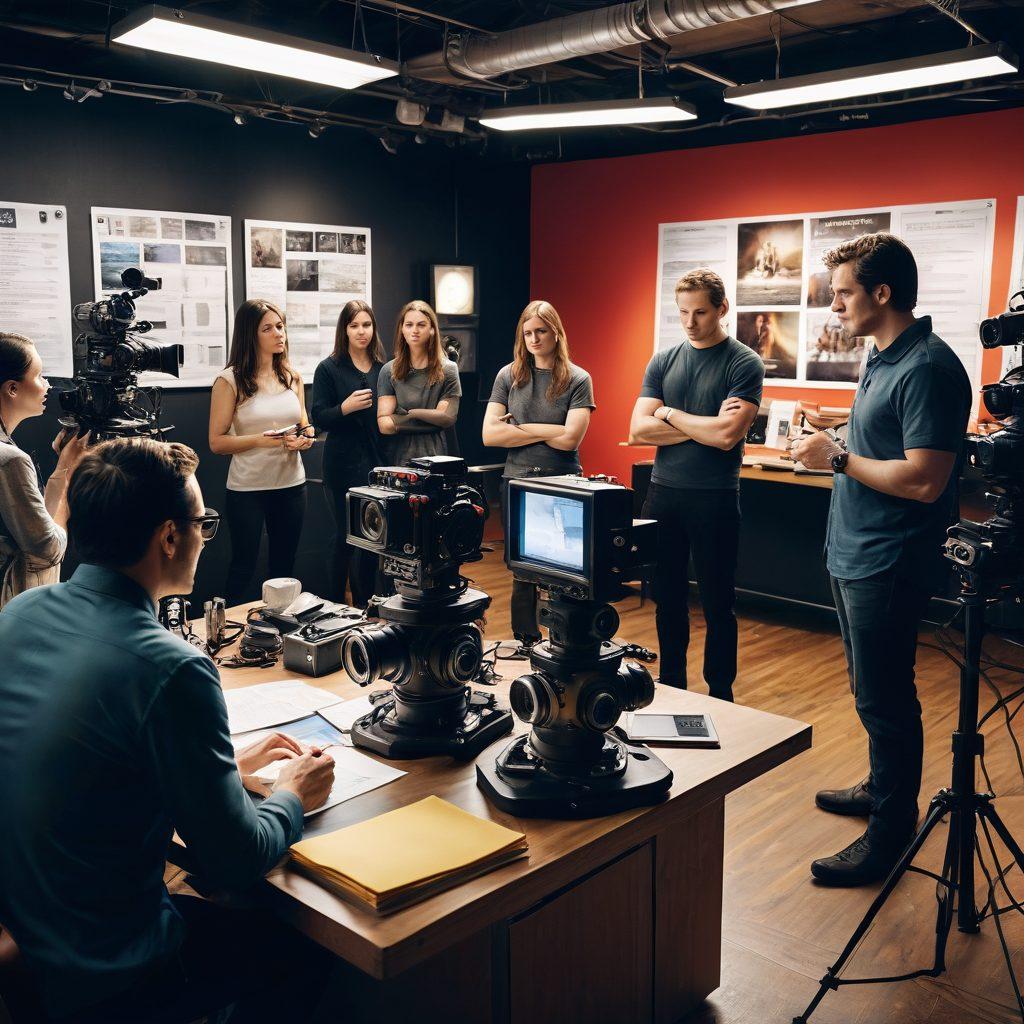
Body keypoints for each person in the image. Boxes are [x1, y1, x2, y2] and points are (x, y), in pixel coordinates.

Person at [0, 437, 335, 1022]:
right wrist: (291, 794)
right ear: (169, 538)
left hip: (29, 938)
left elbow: (90, 761)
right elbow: (235, 861)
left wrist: (221, 767)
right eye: (202, 523)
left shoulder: (19, 614)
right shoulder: (172, 668)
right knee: (307, 950)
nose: (206, 536)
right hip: (112, 973)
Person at [791, 233, 971, 887]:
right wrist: (833, 434)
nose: (834, 305)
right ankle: (879, 787)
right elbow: (885, 439)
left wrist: (836, 457)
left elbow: (924, 479)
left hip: (888, 561)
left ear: (883, 292)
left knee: (887, 698)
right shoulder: (884, 355)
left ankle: (891, 830)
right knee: (869, 691)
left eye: (843, 293)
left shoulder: (928, 367)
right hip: (853, 550)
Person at [628, 269, 764, 702]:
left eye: (700, 312)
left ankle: (721, 694)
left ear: (722, 309)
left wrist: (669, 414)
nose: (690, 322)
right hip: (663, 494)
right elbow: (637, 429)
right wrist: (703, 426)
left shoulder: (744, 362)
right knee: (667, 599)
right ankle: (672, 686)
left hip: (715, 499)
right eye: (683, 312)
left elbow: (726, 436)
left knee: (718, 603)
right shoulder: (663, 360)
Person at [482, 300, 595, 645]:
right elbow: (490, 435)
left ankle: (565, 641)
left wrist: (521, 427)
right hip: (517, 479)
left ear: (556, 333)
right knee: (523, 568)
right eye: (528, 332)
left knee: (565, 567)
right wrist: (551, 430)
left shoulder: (578, 379)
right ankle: (525, 641)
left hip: (563, 482)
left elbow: (571, 440)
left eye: (541, 331)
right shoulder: (509, 375)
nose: (533, 339)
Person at [210, 299, 314, 606]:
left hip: (292, 485)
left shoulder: (292, 377)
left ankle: (280, 627)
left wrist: (305, 440)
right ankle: (224, 626)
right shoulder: (229, 381)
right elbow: (217, 442)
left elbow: (305, 426)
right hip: (248, 489)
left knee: (284, 566)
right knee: (243, 566)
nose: (279, 334)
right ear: (250, 335)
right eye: (268, 328)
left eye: (280, 326)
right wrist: (260, 440)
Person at [0, 332, 89, 609]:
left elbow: (38, 526)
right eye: (39, 376)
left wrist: (63, 469)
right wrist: (67, 470)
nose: (47, 385)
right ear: (12, 389)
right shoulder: (10, 460)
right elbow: (48, 549)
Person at [311, 300, 386, 606]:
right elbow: (318, 417)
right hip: (341, 466)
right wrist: (345, 408)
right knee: (344, 538)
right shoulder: (328, 368)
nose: (361, 331)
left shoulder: (384, 368)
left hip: (375, 465)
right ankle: (334, 607)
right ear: (344, 330)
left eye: (366, 325)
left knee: (371, 540)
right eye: (354, 325)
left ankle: (365, 606)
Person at [377, 299, 461, 465]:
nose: (414, 330)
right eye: (409, 325)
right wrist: (432, 419)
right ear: (402, 329)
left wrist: (410, 413)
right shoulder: (389, 370)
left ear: (432, 329)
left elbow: (447, 417)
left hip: (437, 461)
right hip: (399, 462)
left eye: (421, 325)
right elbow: (384, 425)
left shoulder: (448, 369)